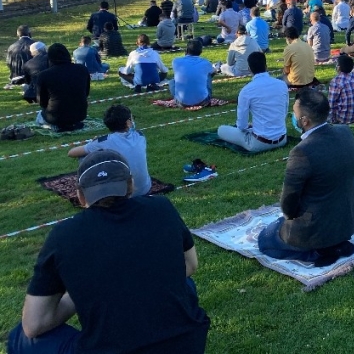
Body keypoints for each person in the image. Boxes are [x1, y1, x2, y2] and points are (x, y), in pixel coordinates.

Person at [6, 149, 210, 354]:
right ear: (131, 185)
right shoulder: (162, 207)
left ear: (80, 195)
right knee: (185, 284)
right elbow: (190, 264)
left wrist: (87, 291)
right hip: (187, 344)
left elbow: (33, 325)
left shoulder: (63, 235)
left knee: (21, 338)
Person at [257, 90, 354, 263]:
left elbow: (288, 203)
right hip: (348, 220)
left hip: (317, 228)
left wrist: (289, 220)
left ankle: (320, 251)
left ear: (305, 121)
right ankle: (333, 245)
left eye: (294, 113)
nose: (292, 116)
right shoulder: (345, 132)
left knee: (266, 238)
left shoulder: (302, 151)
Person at [68, 104, 152, 197]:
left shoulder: (103, 142)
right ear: (128, 123)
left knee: (83, 157)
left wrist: (93, 144)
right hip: (144, 189)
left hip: (120, 194)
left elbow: (71, 153)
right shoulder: (140, 136)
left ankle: (89, 189)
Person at [217, 52, 289, 152]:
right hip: (282, 139)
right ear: (266, 66)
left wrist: (249, 128)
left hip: (259, 143)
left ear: (249, 69)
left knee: (221, 130)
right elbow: (283, 112)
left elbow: (241, 126)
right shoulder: (281, 85)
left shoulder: (247, 90)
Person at [36, 44, 91, 131]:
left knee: (39, 116)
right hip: (79, 114)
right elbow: (86, 92)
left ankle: (54, 125)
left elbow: (42, 102)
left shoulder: (44, 75)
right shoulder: (82, 69)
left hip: (55, 117)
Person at [169, 39, 216, 107]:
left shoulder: (176, 61)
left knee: (172, 81)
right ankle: (201, 92)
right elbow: (214, 71)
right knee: (208, 76)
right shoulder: (205, 63)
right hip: (203, 101)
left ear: (187, 50)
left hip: (181, 102)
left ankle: (184, 96)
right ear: (200, 51)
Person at [327, 54, 354, 124]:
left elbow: (331, 103)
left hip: (343, 118)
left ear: (339, 67)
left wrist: (330, 119)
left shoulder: (336, 81)